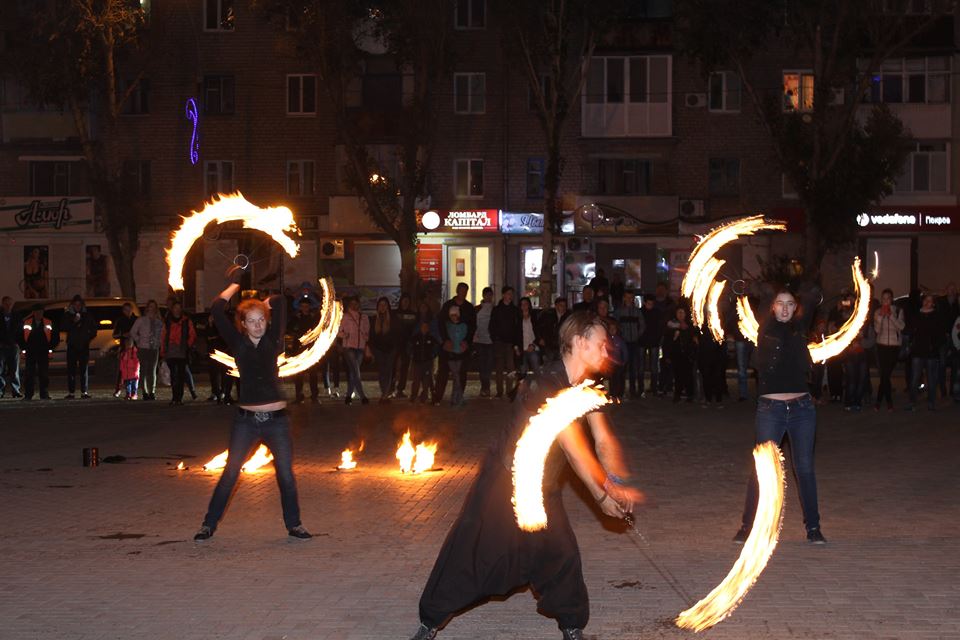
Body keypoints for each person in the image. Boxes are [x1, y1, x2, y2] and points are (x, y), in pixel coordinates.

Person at [408, 311, 644, 640]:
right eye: (601, 343)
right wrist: (601, 495)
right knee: (471, 553)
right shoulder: (546, 383)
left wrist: (616, 483)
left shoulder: (589, 387)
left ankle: (571, 624)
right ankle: (430, 621)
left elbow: (603, 440)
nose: (608, 350)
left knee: (561, 553)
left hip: (543, 486)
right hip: (504, 483)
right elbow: (574, 449)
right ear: (579, 342)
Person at [194, 266, 311, 542]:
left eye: (261, 320)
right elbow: (217, 309)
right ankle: (208, 525)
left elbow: (281, 301)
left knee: (285, 475)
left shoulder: (274, 340)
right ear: (243, 325)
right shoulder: (237, 343)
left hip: (277, 422)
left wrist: (262, 304)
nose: (258, 325)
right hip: (245, 422)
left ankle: (294, 525)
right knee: (230, 473)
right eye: (252, 321)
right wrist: (235, 284)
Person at [733, 289, 825, 545]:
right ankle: (747, 526)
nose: (785, 308)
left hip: (802, 409)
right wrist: (743, 291)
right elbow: (754, 299)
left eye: (790, 304)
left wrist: (813, 295)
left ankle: (813, 527)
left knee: (804, 468)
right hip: (770, 410)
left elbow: (812, 296)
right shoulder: (765, 329)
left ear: (796, 308)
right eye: (780, 304)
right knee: (761, 468)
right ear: (772, 307)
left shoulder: (800, 329)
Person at [435, 283, 476, 404]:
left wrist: (467, 341)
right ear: (457, 291)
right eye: (461, 290)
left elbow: (472, 326)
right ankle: (437, 397)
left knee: (461, 373)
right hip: (448, 346)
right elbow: (441, 324)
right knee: (443, 372)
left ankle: (458, 397)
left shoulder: (469, 308)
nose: (463, 293)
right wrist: (445, 340)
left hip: (462, 345)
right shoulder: (448, 305)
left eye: (465, 291)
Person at [906, 293, 943, 411]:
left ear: (933, 303)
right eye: (925, 300)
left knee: (931, 379)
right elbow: (910, 330)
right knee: (915, 378)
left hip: (931, 352)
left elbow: (940, 334)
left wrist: (935, 345)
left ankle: (931, 402)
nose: (927, 302)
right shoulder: (916, 314)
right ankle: (912, 402)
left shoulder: (936, 315)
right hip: (918, 351)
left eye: (930, 301)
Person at [873, 289, 904, 411]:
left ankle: (879, 401)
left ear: (891, 299)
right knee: (884, 375)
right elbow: (876, 330)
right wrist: (881, 317)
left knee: (885, 375)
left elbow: (901, 326)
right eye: (883, 298)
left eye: (888, 298)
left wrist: (891, 316)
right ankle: (888, 402)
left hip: (894, 346)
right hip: (881, 346)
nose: (885, 301)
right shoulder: (877, 312)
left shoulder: (898, 310)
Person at [161, 301, 196, 406]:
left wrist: (187, 345)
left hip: (182, 351)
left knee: (181, 375)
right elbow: (163, 336)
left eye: (179, 308)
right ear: (172, 309)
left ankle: (179, 398)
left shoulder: (186, 321)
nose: (177, 310)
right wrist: (163, 350)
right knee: (173, 375)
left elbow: (192, 334)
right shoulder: (168, 321)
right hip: (171, 350)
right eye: (175, 308)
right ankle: (174, 397)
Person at [19, 304, 58, 400]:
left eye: (40, 312)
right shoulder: (27, 322)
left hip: (43, 352)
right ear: (33, 313)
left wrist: (50, 347)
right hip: (30, 352)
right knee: (29, 375)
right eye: (37, 312)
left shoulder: (48, 322)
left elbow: (55, 337)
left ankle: (44, 394)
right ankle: (28, 395)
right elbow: (19, 336)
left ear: (43, 312)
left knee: (44, 374)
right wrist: (24, 347)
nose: (38, 314)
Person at [490, 286, 521, 399]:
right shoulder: (497, 309)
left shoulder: (515, 310)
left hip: (510, 342)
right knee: (499, 368)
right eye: (508, 293)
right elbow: (492, 325)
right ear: (503, 295)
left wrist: (516, 343)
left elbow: (517, 328)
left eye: (511, 294)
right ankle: (499, 391)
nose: (510, 296)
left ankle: (509, 390)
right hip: (499, 341)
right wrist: (495, 338)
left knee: (510, 367)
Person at [63, 295, 97, 399]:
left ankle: (84, 392)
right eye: (75, 304)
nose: (77, 306)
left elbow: (94, 330)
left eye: (79, 304)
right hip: (72, 346)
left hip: (84, 346)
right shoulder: (68, 315)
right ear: (72, 305)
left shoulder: (87, 315)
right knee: (71, 370)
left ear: (82, 305)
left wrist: (87, 338)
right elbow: (63, 327)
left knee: (84, 370)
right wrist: (74, 322)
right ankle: (71, 392)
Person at [338, 296, 370, 405]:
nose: (354, 306)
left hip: (360, 347)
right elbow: (338, 330)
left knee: (353, 372)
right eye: (352, 304)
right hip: (349, 347)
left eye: (356, 303)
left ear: (359, 304)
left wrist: (365, 337)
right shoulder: (345, 317)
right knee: (356, 370)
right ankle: (363, 396)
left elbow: (367, 330)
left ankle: (348, 396)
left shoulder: (364, 317)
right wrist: (345, 335)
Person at [287, 299, 320, 404]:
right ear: (300, 307)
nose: (304, 308)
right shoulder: (296, 318)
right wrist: (296, 334)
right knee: (299, 374)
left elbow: (318, 329)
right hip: (298, 349)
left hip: (311, 349)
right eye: (302, 306)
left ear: (309, 307)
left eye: (306, 306)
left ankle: (314, 396)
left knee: (313, 374)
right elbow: (288, 329)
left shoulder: (313, 318)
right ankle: (299, 397)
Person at [203, 300, 235, 404]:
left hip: (226, 349)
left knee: (227, 373)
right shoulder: (213, 317)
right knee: (214, 374)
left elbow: (229, 333)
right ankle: (217, 394)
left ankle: (226, 394)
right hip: (214, 350)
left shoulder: (230, 317)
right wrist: (210, 324)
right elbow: (208, 335)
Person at [131, 300, 163, 401]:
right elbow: (133, 331)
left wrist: (159, 343)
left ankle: (152, 391)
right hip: (143, 348)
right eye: (150, 306)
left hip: (154, 348)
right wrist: (139, 340)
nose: (152, 309)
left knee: (152, 370)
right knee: (144, 370)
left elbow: (162, 334)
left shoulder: (159, 322)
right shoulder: (141, 320)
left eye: (154, 306)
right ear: (147, 308)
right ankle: (145, 392)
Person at [615, 291, 644, 398]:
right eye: (627, 297)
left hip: (634, 343)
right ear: (624, 298)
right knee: (622, 367)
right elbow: (615, 325)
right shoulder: (619, 312)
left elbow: (642, 325)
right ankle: (620, 391)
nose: (629, 299)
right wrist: (620, 336)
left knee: (633, 368)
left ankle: (632, 390)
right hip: (623, 343)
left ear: (633, 299)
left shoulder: (637, 312)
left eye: (631, 297)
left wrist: (637, 335)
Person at [370, 296, 398, 404]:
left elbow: (396, 334)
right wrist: (372, 348)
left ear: (387, 306)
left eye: (384, 305)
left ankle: (385, 394)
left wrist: (394, 348)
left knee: (388, 371)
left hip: (390, 349)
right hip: (379, 350)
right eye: (380, 305)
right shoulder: (374, 319)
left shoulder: (392, 319)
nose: (382, 307)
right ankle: (384, 393)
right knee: (382, 371)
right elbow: (371, 336)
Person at [665, 307, 697, 403]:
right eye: (678, 312)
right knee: (677, 375)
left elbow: (694, 340)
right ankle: (677, 394)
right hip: (676, 354)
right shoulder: (671, 325)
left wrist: (693, 352)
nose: (680, 314)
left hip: (687, 354)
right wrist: (668, 355)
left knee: (688, 375)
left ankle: (690, 394)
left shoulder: (690, 325)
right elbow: (668, 341)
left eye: (682, 312)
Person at [393, 293, 418, 398]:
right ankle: (390, 387)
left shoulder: (413, 315)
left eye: (407, 301)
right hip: (395, 343)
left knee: (405, 367)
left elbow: (415, 329)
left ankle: (400, 389)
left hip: (407, 344)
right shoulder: (394, 313)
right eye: (404, 301)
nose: (405, 303)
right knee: (393, 366)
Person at [112, 302, 139, 399]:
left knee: (135, 370)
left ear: (132, 309)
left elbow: (141, 332)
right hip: (124, 347)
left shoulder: (137, 320)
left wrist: (134, 335)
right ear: (123, 311)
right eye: (125, 310)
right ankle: (118, 389)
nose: (127, 312)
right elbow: (114, 335)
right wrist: (123, 335)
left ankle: (134, 391)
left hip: (135, 348)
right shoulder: (120, 320)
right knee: (122, 370)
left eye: (129, 309)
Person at [444, 305, 469, 407]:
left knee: (456, 376)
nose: (453, 317)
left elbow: (464, 337)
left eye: (455, 315)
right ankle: (459, 398)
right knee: (456, 375)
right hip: (451, 353)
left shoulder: (463, 326)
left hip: (459, 353)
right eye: (451, 315)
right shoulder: (447, 326)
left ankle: (455, 398)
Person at [638, 295, 662, 396]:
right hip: (643, 341)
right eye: (649, 303)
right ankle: (641, 388)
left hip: (652, 341)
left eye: (652, 304)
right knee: (642, 366)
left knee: (653, 366)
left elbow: (659, 326)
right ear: (645, 303)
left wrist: (658, 338)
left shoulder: (656, 312)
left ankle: (653, 388)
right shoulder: (640, 312)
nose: (650, 305)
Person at [473, 287, 495, 397]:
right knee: (482, 365)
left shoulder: (494, 309)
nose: (488, 297)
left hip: (490, 341)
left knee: (489, 365)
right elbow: (473, 323)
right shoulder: (477, 309)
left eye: (490, 295)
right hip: (479, 340)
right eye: (487, 295)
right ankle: (484, 387)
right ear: (483, 296)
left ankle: (487, 386)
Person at [410, 319, 438, 404]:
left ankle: (424, 396)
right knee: (416, 380)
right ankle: (413, 396)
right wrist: (411, 355)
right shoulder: (415, 338)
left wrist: (433, 355)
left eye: (426, 327)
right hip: (417, 362)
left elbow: (436, 347)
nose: (424, 328)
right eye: (423, 327)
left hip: (427, 362)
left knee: (426, 381)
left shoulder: (431, 338)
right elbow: (410, 347)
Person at [0, 296, 23, 398]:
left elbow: (21, 331)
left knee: (14, 370)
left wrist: (18, 344)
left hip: (14, 346)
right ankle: (0, 391)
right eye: (6, 304)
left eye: (10, 304)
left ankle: (16, 390)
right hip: (1, 346)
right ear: (2, 304)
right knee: (0, 370)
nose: (8, 306)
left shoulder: (17, 316)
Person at [537, 297, 568, 365]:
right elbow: (539, 328)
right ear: (556, 306)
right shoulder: (548, 315)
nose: (563, 308)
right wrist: (540, 338)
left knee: (559, 364)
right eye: (561, 305)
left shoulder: (567, 317)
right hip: (548, 343)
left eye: (565, 305)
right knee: (549, 363)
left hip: (560, 345)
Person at [518, 297, 541, 380]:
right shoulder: (517, 318)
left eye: (526, 304)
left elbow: (538, 333)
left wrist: (534, 344)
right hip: (522, 348)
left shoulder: (534, 317)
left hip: (533, 347)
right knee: (523, 372)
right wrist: (516, 347)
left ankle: (541, 386)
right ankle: (524, 388)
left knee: (536, 369)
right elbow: (516, 334)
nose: (524, 306)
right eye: (522, 304)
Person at [607, 319, 628, 401]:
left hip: (618, 364)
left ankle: (620, 394)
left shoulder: (619, 340)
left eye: (614, 329)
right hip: (610, 364)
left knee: (619, 379)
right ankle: (612, 394)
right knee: (612, 379)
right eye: (611, 329)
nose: (612, 330)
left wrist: (624, 361)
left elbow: (624, 351)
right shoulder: (607, 340)